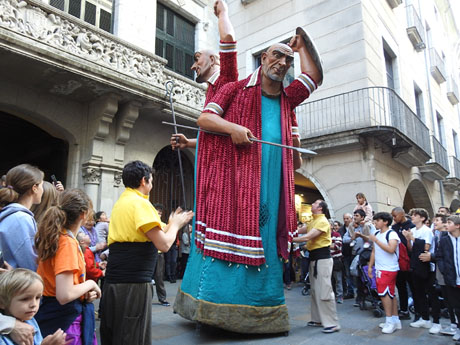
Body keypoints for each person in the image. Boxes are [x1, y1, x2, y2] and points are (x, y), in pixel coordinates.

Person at [174, 26, 321, 333]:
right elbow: (205, 118)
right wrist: (233, 129)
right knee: (229, 238)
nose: (282, 63)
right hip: (235, 180)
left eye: (288, 60)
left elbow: (314, 78)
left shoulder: (287, 100)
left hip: (271, 182)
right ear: (263, 58)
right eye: (277, 55)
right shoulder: (235, 88)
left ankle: (262, 313)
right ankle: (215, 310)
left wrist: (302, 44)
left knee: (265, 239)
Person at [100, 161, 193, 345]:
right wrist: (176, 224)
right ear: (144, 180)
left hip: (114, 282)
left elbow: (153, 234)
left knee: (115, 333)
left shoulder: (122, 202)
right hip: (132, 284)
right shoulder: (140, 203)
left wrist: (171, 222)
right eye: (151, 179)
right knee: (132, 336)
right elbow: (164, 244)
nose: (152, 183)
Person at [34, 189, 101, 344]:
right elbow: (64, 294)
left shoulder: (57, 237)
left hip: (54, 311)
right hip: (65, 319)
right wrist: (90, 284)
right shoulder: (67, 243)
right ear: (84, 214)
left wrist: (84, 292)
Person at [171, 0, 238, 151]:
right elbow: (213, 137)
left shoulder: (226, 79)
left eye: (196, 59)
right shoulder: (211, 90)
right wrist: (188, 143)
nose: (193, 66)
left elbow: (228, 40)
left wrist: (222, 14)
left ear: (213, 60)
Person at [294, 200, 340, 333]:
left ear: (320, 208)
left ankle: (332, 323)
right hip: (314, 259)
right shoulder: (313, 221)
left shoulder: (322, 221)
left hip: (323, 259)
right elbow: (299, 231)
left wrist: (288, 238)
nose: (312, 204)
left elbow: (307, 237)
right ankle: (318, 319)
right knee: (315, 290)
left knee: (324, 290)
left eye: (314, 203)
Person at [0, 268, 67, 345]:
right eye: (25, 299)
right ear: (2, 303)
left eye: (38, 298)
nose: (34, 304)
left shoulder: (30, 320)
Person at [0, 164, 44, 271]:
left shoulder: (11, 214)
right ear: (35, 188)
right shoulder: (21, 219)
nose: (43, 190)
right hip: (18, 284)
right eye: (42, 185)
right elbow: (30, 265)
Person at [368, 212, 401, 334]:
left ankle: (389, 321)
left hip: (388, 269)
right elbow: (374, 251)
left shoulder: (391, 234)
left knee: (385, 294)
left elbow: (391, 249)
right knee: (390, 294)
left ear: (385, 222)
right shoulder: (376, 233)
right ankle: (395, 320)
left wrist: (376, 240)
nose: (375, 223)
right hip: (380, 268)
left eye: (377, 220)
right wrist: (370, 266)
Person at [402, 208, 433, 329]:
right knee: (417, 291)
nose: (412, 217)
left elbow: (426, 247)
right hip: (414, 263)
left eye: (415, 215)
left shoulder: (427, 231)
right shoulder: (413, 230)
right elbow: (410, 248)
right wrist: (408, 239)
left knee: (426, 292)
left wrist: (412, 238)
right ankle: (421, 316)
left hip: (424, 264)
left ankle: (428, 318)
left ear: (422, 218)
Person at [436, 215, 460, 344]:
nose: (446, 225)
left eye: (449, 223)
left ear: (457, 226)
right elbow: (440, 256)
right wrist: (444, 270)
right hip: (451, 278)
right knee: (456, 306)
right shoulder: (445, 240)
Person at [390, 207, 414, 320]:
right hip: (398, 262)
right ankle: (404, 310)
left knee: (414, 287)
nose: (394, 219)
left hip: (410, 261)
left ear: (402, 214)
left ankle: (419, 312)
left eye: (395, 216)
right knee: (401, 287)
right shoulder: (393, 228)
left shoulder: (411, 226)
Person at [152, 203, 169, 306]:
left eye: (160, 213)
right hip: (149, 253)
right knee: (147, 277)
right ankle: (146, 298)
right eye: (157, 212)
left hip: (159, 254)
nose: (159, 214)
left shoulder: (163, 225)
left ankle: (162, 298)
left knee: (159, 277)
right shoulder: (149, 223)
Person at [339, 213, 354, 299]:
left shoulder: (355, 227)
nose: (346, 220)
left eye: (347, 218)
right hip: (346, 254)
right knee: (348, 274)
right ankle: (350, 291)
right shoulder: (341, 230)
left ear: (351, 219)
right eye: (344, 218)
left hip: (354, 253)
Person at [331, 221, 343, 303]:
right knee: (329, 279)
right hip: (326, 259)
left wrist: (324, 244)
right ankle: (331, 295)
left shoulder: (336, 235)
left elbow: (337, 246)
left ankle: (339, 296)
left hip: (336, 259)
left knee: (338, 279)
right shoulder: (322, 236)